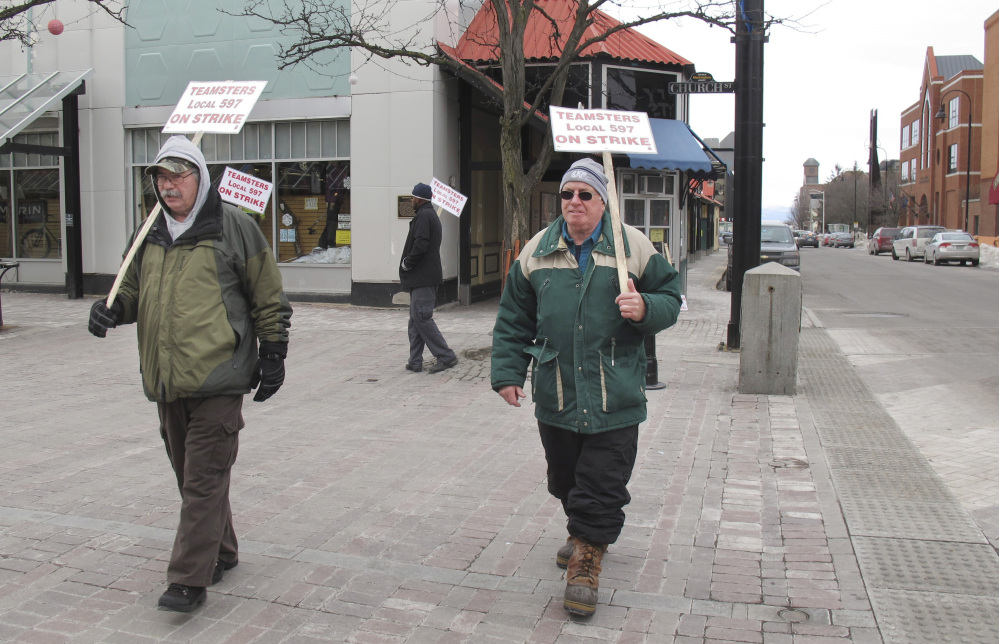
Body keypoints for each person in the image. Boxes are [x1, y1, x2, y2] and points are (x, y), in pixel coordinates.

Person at [87, 135, 292, 613]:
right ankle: (222, 549)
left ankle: (188, 579)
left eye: (179, 175)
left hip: (220, 377)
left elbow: (267, 295)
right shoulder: (148, 234)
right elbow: (129, 293)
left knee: (202, 479)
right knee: (192, 476)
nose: (169, 185)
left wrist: (274, 352)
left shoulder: (235, 228)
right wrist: (109, 311)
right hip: (166, 380)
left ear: (201, 178)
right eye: (161, 176)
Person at [490, 157, 681, 617]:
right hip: (557, 391)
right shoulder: (537, 250)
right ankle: (582, 532)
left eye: (585, 194)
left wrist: (645, 307)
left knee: (602, 481)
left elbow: (671, 298)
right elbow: (513, 317)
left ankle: (586, 560)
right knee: (566, 479)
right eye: (568, 194)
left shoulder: (631, 246)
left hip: (614, 391)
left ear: (603, 200)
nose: (574, 201)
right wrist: (507, 373)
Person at [400, 182, 458, 374]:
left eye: (412, 197)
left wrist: (408, 262)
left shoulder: (424, 216)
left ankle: (446, 356)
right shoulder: (428, 215)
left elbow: (421, 243)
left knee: (422, 318)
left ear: (418, 199)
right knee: (416, 319)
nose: (411, 200)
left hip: (423, 277)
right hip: (422, 278)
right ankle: (415, 360)